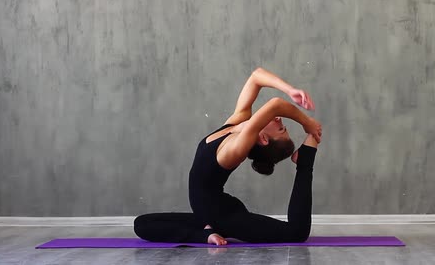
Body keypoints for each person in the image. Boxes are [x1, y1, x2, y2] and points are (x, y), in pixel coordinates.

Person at [134, 67, 323, 245]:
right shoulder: (237, 122)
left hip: (224, 216)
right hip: (212, 211)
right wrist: (290, 90)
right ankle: (208, 230)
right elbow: (256, 76)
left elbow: (275, 105)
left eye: (280, 128)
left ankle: (305, 159)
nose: (279, 120)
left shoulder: (236, 148)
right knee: (141, 224)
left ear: (264, 139)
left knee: (297, 232)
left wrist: (307, 123)